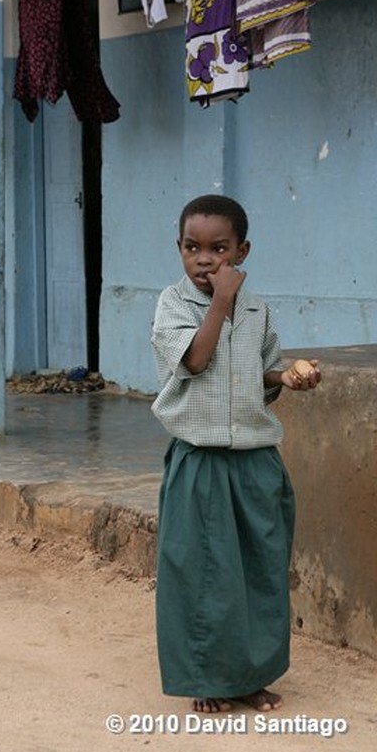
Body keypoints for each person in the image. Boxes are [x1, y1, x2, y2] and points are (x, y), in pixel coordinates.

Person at [151, 194, 321, 714]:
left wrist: (289, 376)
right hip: (201, 462)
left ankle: (251, 676)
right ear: (178, 249)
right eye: (191, 247)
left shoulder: (258, 310)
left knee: (258, 569)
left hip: (255, 458)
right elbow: (198, 361)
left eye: (218, 248)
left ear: (241, 251)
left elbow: (260, 372)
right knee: (204, 574)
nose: (204, 259)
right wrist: (220, 302)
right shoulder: (172, 305)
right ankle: (208, 678)